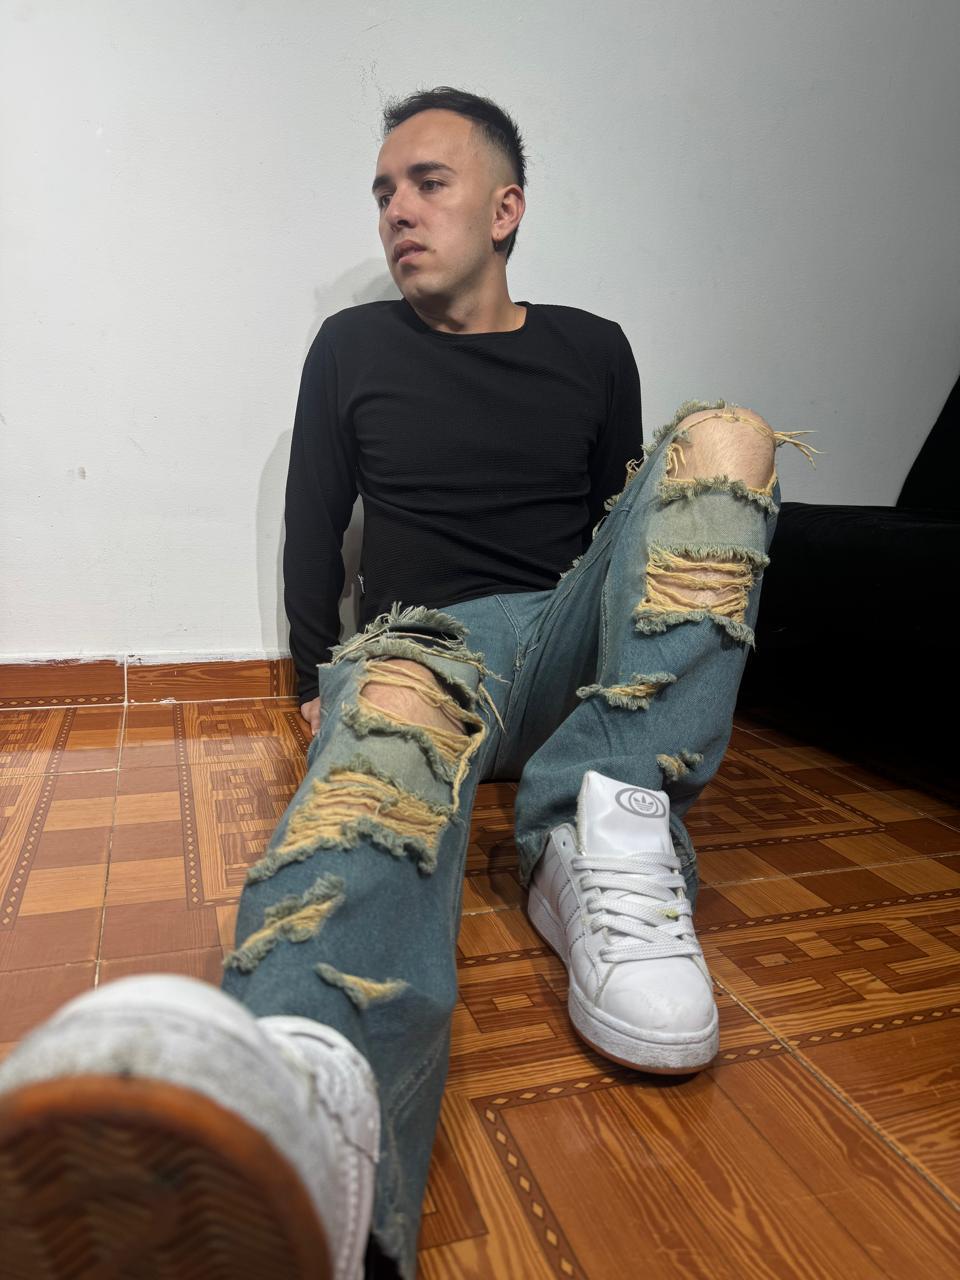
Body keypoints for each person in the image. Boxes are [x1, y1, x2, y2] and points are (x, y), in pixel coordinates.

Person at [0, 87, 814, 1280]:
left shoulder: (593, 345)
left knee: (730, 435)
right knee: (374, 773)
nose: (396, 209)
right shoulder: (352, 349)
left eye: (427, 182)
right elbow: (314, 518)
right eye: (383, 191)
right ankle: (304, 1103)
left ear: (506, 208)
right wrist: (310, 674)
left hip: (566, 643)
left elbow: (622, 536)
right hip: (426, 649)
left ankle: (604, 826)